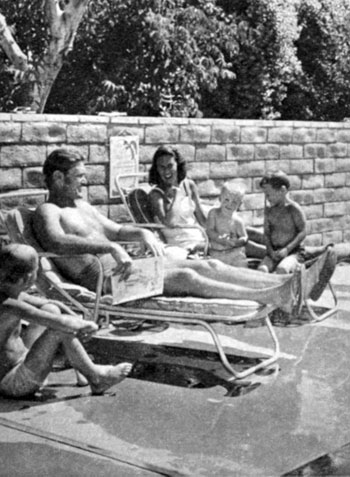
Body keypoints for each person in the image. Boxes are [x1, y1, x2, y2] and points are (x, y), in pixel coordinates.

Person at [32, 148, 304, 312]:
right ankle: (270, 295)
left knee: (208, 265)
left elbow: (115, 229)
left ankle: (284, 285)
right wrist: (110, 247)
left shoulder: (81, 205)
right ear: (57, 178)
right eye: (78, 176)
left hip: (126, 270)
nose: (84, 180)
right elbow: (57, 242)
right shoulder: (48, 211)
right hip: (103, 281)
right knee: (187, 275)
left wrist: (142, 233)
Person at [0, 243, 132, 398]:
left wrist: (75, 317)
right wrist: (88, 325)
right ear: (29, 278)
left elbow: (50, 305)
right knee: (59, 328)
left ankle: (82, 368)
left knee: (52, 310)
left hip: (21, 361)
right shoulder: (7, 304)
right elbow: (53, 321)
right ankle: (96, 377)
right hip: (12, 383)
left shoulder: (10, 292)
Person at [148, 145, 207, 255]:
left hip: (201, 239)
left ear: (178, 165)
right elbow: (170, 223)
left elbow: (202, 220)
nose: (166, 171)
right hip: (184, 245)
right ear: (156, 169)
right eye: (162, 167)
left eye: (170, 166)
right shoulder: (156, 194)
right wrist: (178, 195)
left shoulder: (189, 185)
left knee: (244, 238)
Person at [258, 170, 307, 274]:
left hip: (293, 252)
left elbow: (302, 231)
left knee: (282, 269)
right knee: (261, 270)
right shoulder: (269, 211)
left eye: (269, 194)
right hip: (274, 252)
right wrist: (270, 251)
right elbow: (266, 234)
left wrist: (287, 249)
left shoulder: (293, 209)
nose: (267, 198)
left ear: (282, 191)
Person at [206, 181, 248, 268]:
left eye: (234, 202)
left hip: (234, 253)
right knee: (214, 268)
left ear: (239, 204)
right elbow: (209, 230)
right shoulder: (213, 213)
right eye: (226, 200)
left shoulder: (237, 221)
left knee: (241, 264)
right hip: (217, 253)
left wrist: (237, 242)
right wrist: (219, 238)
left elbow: (244, 237)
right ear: (220, 198)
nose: (230, 205)